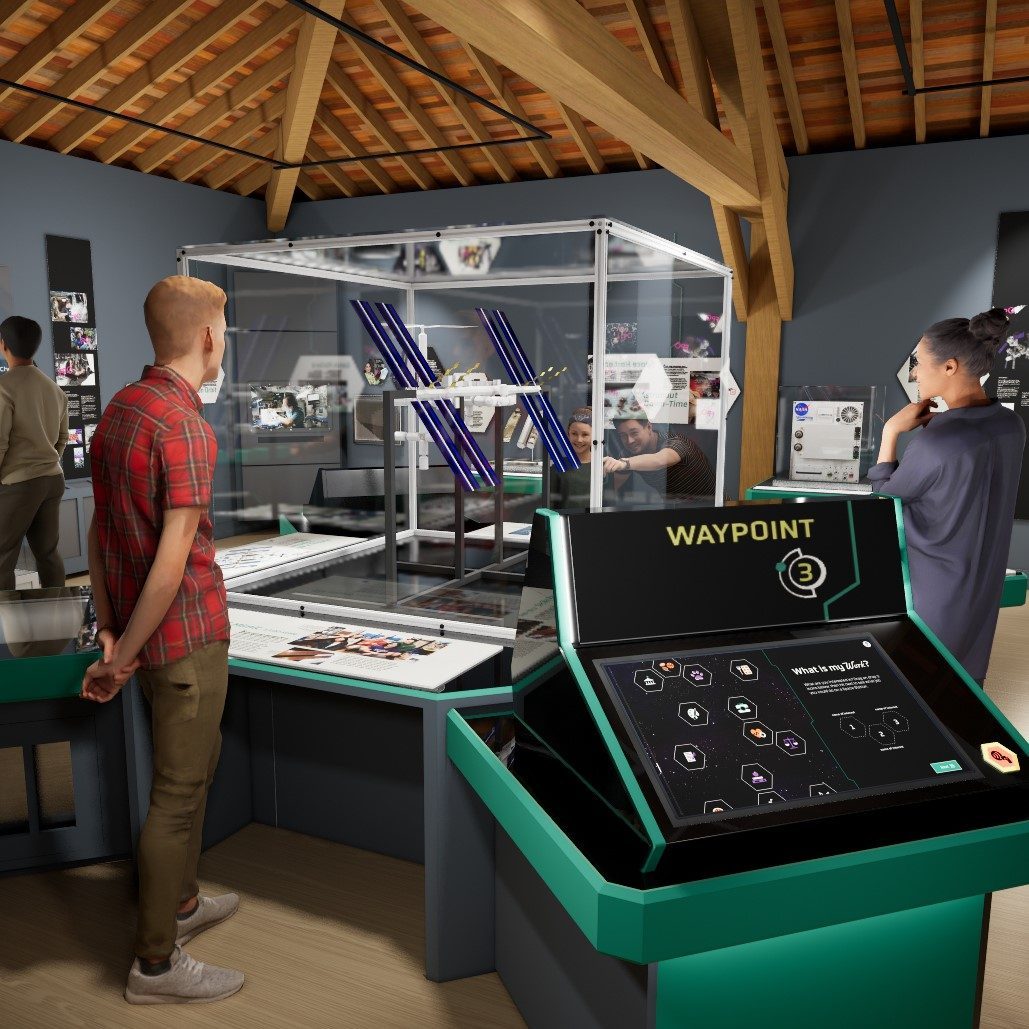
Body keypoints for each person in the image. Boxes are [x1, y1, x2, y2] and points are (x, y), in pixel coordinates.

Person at [80, 276, 243, 1005]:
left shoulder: (122, 408)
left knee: (192, 774)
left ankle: (180, 903)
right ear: (208, 336)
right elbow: (173, 557)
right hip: (186, 639)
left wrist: (113, 627)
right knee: (178, 794)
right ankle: (155, 964)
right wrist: (121, 651)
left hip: (147, 636)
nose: (224, 341)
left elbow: (102, 530)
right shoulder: (183, 424)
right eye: (225, 329)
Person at [870, 308, 1025, 685]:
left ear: (951, 367)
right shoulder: (1011, 424)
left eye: (919, 363)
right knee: (962, 683)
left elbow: (880, 510)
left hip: (931, 590)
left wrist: (891, 433)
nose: (914, 373)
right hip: (980, 583)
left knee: (916, 683)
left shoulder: (938, 442)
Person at [0, 316, 69, 591]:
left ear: (3, 345)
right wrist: (48, 460)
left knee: (3, 558)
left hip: (19, 484)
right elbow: (62, 438)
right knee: (48, 554)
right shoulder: (54, 388)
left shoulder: (4, 388)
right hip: (53, 479)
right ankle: (59, 623)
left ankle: (8, 631)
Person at [602, 414, 716, 501]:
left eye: (634, 433)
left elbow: (659, 461)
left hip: (713, 507)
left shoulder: (677, 442)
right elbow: (614, 488)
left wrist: (624, 464)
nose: (629, 440)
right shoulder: (627, 454)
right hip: (674, 509)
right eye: (623, 436)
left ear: (649, 427)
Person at [551, 407, 593, 506]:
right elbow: (550, 505)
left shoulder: (603, 467)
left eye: (585, 434)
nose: (579, 439)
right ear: (568, 435)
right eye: (574, 434)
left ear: (595, 436)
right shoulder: (558, 467)